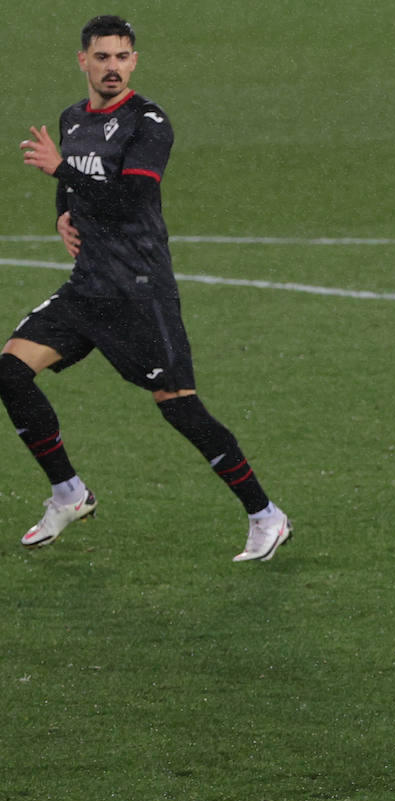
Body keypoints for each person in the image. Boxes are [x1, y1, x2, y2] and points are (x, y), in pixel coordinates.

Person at [4, 15, 290, 561]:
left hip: (140, 291)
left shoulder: (148, 122)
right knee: (10, 372)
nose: (112, 66)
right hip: (88, 288)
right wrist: (62, 214)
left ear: (134, 60)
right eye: (102, 56)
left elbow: (131, 199)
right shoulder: (72, 118)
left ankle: (265, 515)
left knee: (180, 407)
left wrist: (62, 171)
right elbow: (78, 187)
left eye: (122, 56)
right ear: (83, 61)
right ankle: (69, 494)